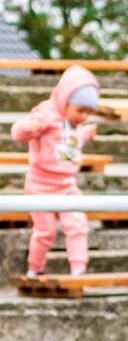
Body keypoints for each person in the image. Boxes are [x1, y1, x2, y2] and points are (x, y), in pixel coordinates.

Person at [10, 65, 99, 278]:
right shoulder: (45, 114)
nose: (83, 116)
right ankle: (35, 268)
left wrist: (85, 133)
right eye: (80, 110)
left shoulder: (75, 123)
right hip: (40, 184)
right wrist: (28, 127)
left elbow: (69, 142)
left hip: (66, 185)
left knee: (77, 225)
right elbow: (17, 133)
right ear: (65, 101)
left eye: (88, 112)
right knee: (45, 231)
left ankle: (78, 269)